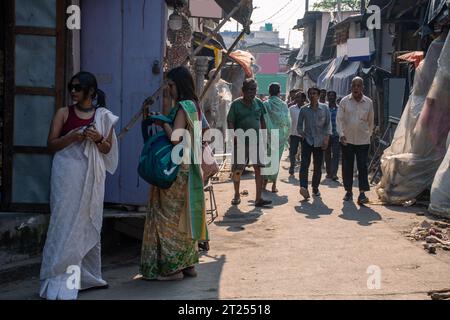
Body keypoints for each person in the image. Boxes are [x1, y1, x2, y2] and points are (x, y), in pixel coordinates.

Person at [40, 72, 119, 300]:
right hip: (66, 176)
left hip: (91, 178)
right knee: (63, 222)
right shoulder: (63, 113)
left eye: (77, 87)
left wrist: (95, 138)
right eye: (71, 87)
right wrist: (73, 136)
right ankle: (59, 279)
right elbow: (51, 145)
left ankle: (85, 278)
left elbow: (106, 150)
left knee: (86, 222)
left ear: (90, 92)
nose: (72, 91)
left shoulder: (103, 117)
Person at [140, 66, 208, 281]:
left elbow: (176, 139)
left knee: (167, 218)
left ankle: (172, 269)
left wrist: (162, 123)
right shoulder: (195, 106)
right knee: (182, 217)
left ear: (179, 84)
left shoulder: (182, 106)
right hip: (189, 168)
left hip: (176, 170)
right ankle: (188, 265)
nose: (168, 89)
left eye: (170, 85)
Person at [227, 79, 272, 208]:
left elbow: (262, 121)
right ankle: (236, 194)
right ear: (244, 91)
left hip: (256, 142)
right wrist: (233, 135)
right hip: (240, 142)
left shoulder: (259, 103)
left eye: (254, 90)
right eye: (250, 90)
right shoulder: (236, 105)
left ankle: (258, 198)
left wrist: (264, 137)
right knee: (237, 170)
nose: (252, 93)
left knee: (259, 169)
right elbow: (230, 121)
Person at [337, 77, 374, 205]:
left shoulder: (368, 102)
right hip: (347, 140)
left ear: (362, 87)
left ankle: (362, 193)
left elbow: (371, 121)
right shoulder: (344, 101)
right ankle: (348, 191)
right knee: (347, 166)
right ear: (351, 87)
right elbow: (339, 120)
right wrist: (341, 134)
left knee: (362, 166)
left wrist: (368, 135)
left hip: (363, 140)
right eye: (354, 86)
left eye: (359, 85)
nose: (356, 88)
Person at [297, 87, 331, 200]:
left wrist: (326, 139)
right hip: (307, 141)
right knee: (304, 165)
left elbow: (328, 125)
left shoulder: (325, 108)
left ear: (319, 95)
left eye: (314, 93)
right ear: (308, 96)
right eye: (310, 93)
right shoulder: (304, 109)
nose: (312, 95)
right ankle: (303, 187)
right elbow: (299, 125)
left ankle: (315, 187)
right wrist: (302, 135)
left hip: (320, 142)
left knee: (318, 166)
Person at [262, 83, 291, 193]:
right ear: (279, 92)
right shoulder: (283, 105)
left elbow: (263, 119)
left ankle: (264, 184)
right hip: (279, 136)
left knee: (267, 159)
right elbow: (287, 121)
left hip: (268, 136)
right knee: (276, 161)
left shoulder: (265, 104)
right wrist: (286, 134)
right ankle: (274, 185)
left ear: (269, 92)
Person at [288, 91, 307, 175]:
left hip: (305, 135)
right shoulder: (291, 109)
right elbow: (288, 121)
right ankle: (292, 166)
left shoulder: (308, 108)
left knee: (304, 152)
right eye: (296, 97)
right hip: (294, 134)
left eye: (298, 97)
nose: (296, 99)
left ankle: (303, 169)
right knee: (292, 151)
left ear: (303, 99)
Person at [325, 91, 341, 181]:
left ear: (335, 97)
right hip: (327, 135)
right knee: (327, 154)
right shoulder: (324, 109)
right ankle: (328, 172)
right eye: (329, 96)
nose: (331, 97)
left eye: (333, 96)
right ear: (328, 97)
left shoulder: (339, 109)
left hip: (336, 135)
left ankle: (334, 173)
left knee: (335, 154)